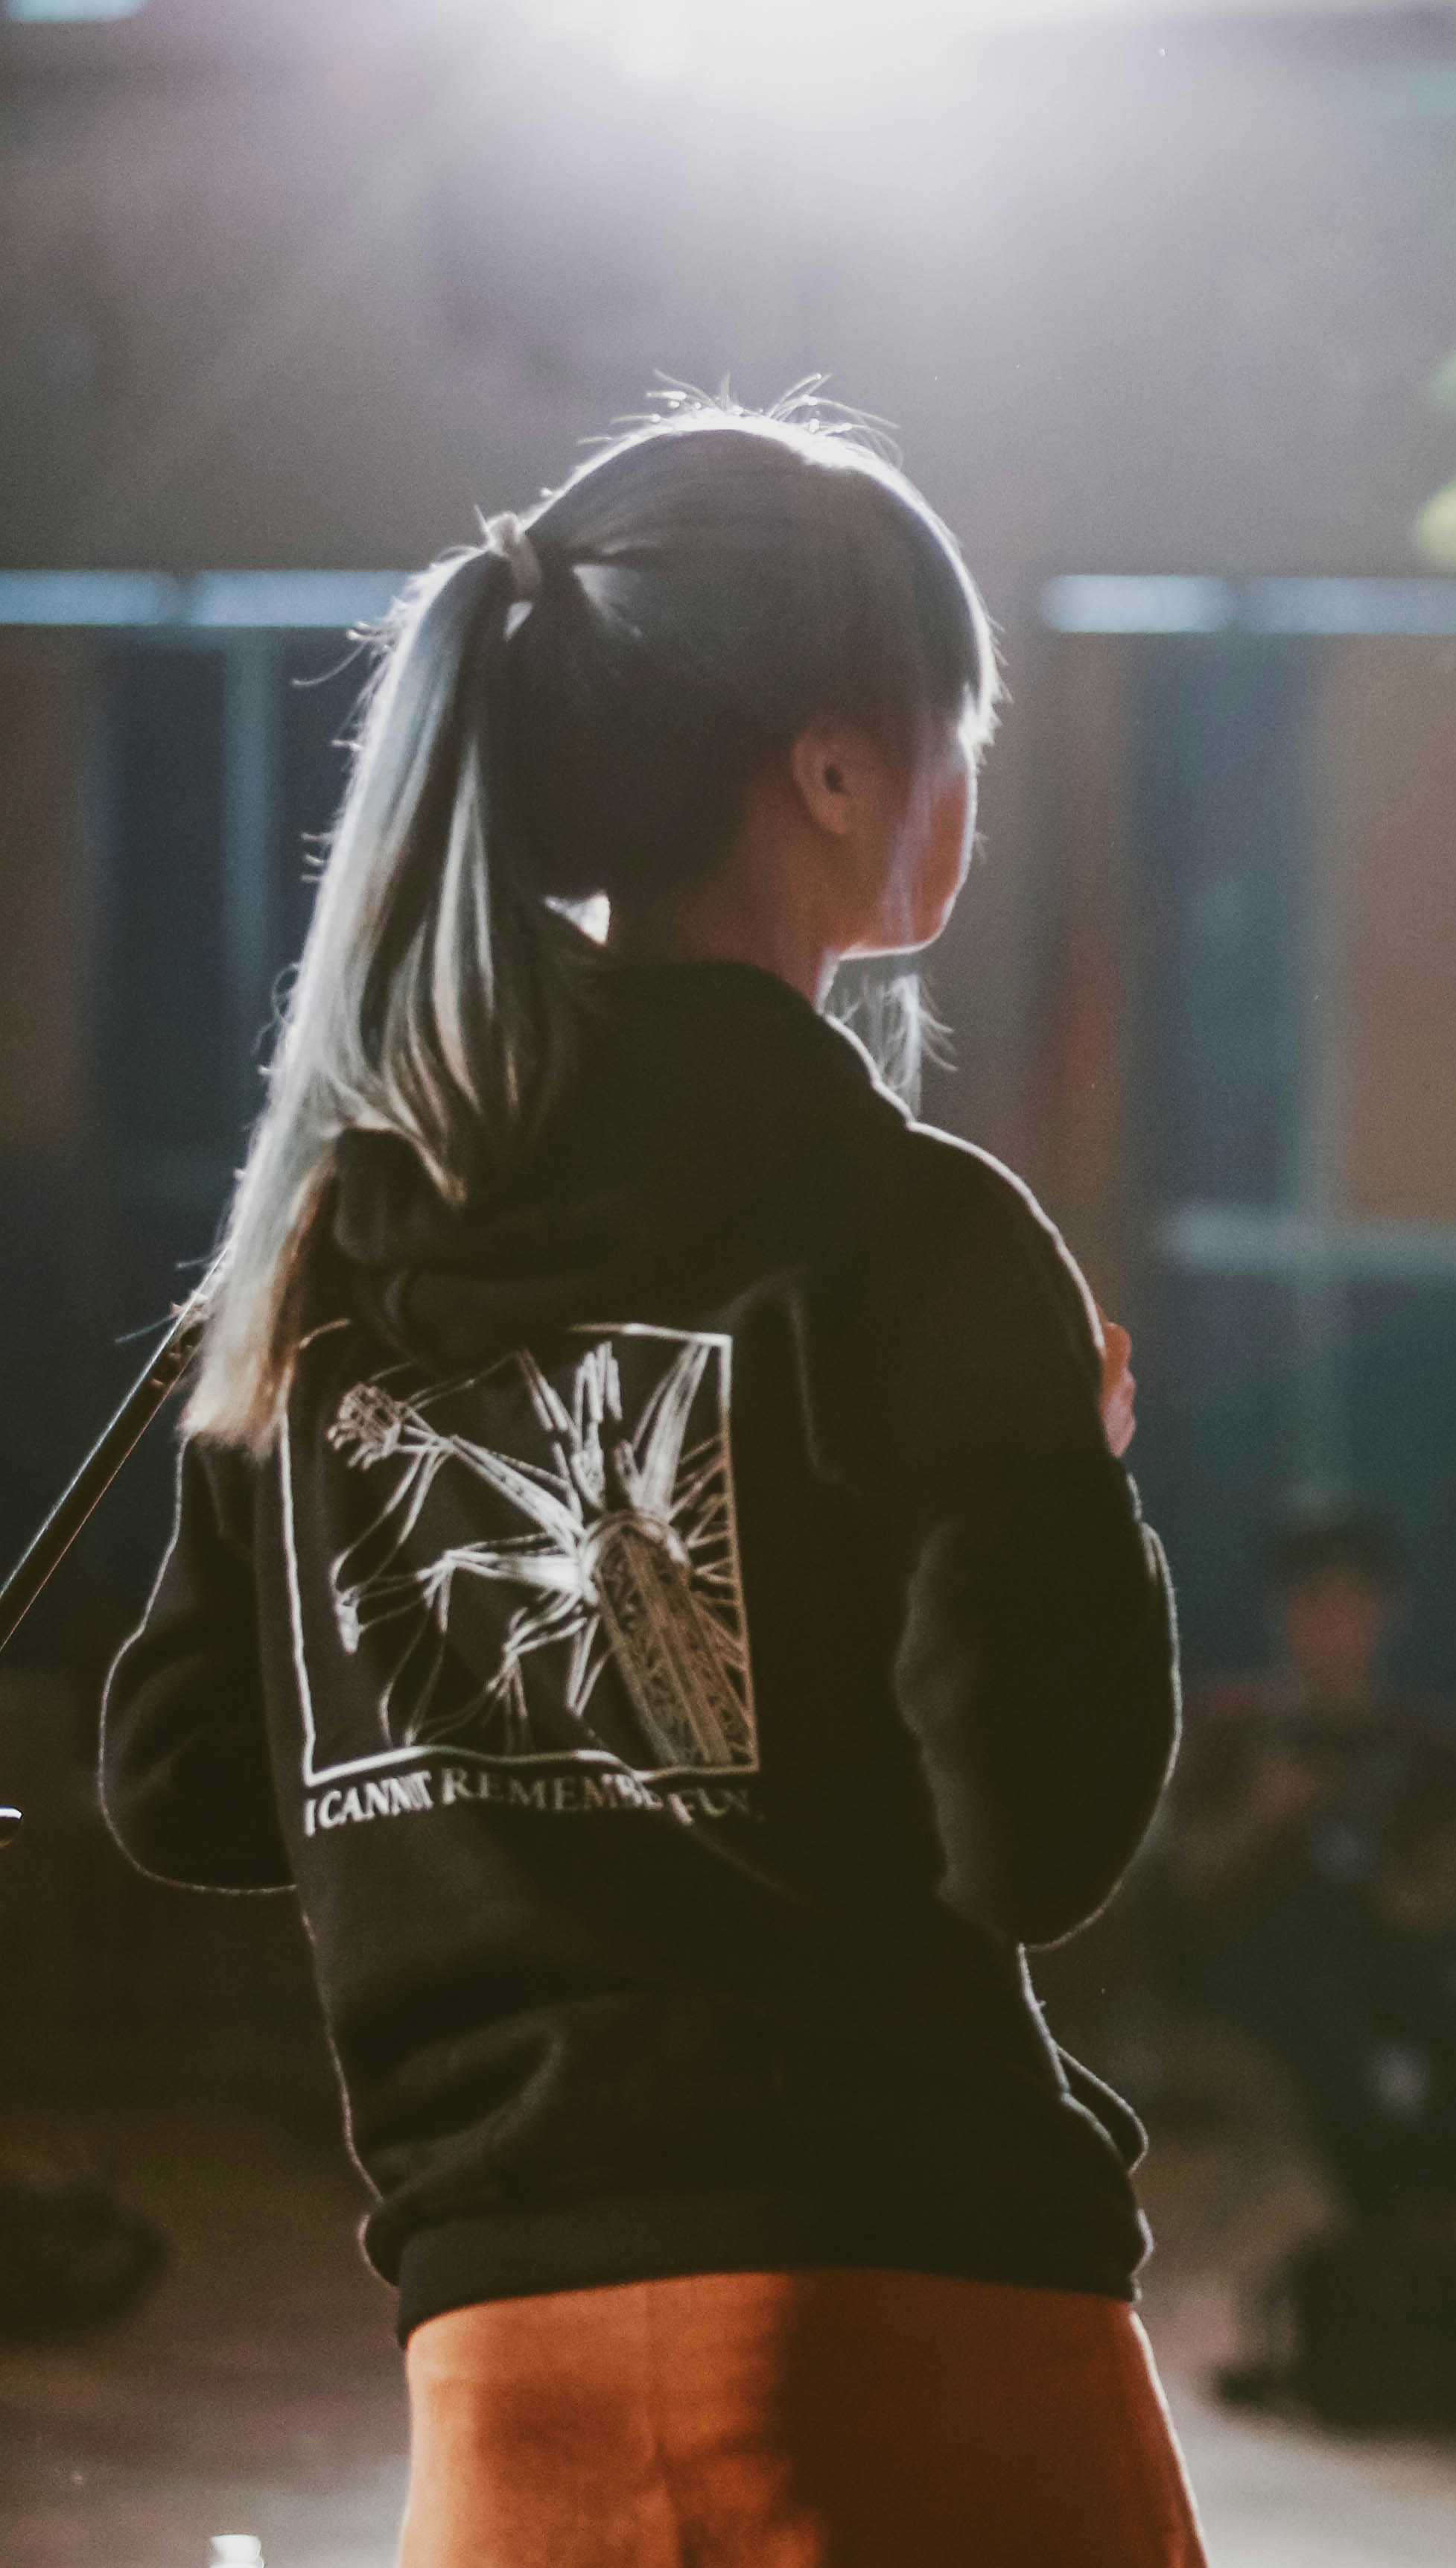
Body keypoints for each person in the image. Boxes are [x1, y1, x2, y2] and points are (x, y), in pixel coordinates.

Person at [95, 407, 1205, 2564]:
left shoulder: (330, 1248)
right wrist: (1075, 1485)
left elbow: (190, 1778)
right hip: (921, 2340)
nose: (972, 787)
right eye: (954, 731)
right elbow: (1043, 1836)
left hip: (499, 2389)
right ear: (830, 770)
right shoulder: (916, 1236)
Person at [1165, 1512, 1456, 2247]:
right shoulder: (1231, 1734)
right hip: (1268, 1980)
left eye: (1348, 1603)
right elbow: (1183, 1891)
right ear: (1280, 1614)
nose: (1329, 1625)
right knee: (1318, 1982)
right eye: (1311, 1603)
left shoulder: (1433, 1749)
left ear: (1384, 1613)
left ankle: (1425, 2230)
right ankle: (1392, 2234)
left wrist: (1419, 1896)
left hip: (1402, 1971)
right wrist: (1267, 1814)